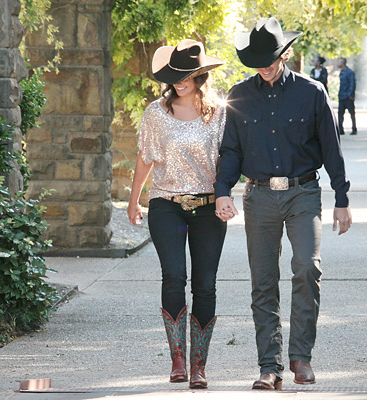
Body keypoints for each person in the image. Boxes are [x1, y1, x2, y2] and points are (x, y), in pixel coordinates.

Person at [213, 17, 352, 390]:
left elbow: (331, 149)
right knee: (263, 281)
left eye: (269, 58)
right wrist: (222, 190)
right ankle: (268, 367)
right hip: (258, 196)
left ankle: (301, 357)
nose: (263, 66)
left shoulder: (312, 92)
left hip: (304, 193)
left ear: (284, 53)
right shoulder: (239, 95)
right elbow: (230, 151)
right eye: (257, 60)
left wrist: (342, 197)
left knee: (307, 268)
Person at [127, 39, 227, 389]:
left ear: (201, 74)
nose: (179, 81)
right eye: (173, 75)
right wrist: (133, 199)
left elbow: (229, 161)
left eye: (186, 74)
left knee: (206, 285)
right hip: (165, 204)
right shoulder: (156, 111)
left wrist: (227, 196)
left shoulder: (219, 112)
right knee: (173, 277)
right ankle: (178, 360)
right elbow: (146, 156)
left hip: (208, 207)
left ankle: (200, 365)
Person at [337, 57, 357, 135]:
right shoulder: (341, 72)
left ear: (343, 63)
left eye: (339, 62)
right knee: (340, 114)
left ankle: (354, 129)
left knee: (352, 113)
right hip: (341, 96)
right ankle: (340, 129)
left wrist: (350, 95)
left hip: (348, 97)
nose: (338, 63)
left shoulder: (350, 72)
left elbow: (352, 84)